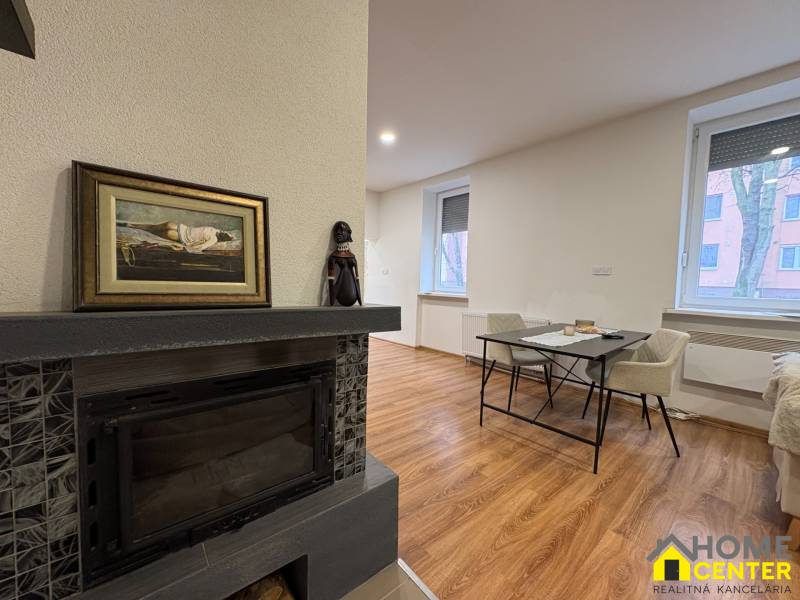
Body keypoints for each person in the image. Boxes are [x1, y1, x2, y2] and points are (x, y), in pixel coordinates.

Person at [118, 220, 233, 253]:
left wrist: (185, 246)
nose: (223, 231)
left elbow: (200, 248)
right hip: (182, 229)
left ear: (223, 237)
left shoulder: (214, 239)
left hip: (180, 234)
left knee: (152, 229)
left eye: (225, 234)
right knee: (153, 228)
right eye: (225, 232)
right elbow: (199, 247)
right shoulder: (216, 231)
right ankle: (131, 225)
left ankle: (132, 226)